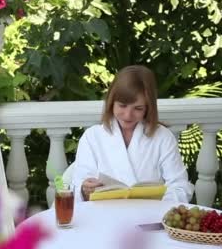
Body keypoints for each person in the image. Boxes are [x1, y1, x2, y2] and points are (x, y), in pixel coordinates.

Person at [71, 65, 193, 203]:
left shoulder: (163, 137)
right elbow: (77, 187)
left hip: (150, 217)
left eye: (138, 108)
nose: (128, 115)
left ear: (148, 108)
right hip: (104, 217)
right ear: (111, 102)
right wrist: (84, 189)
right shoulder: (92, 137)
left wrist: (157, 208)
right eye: (122, 106)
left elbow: (180, 187)